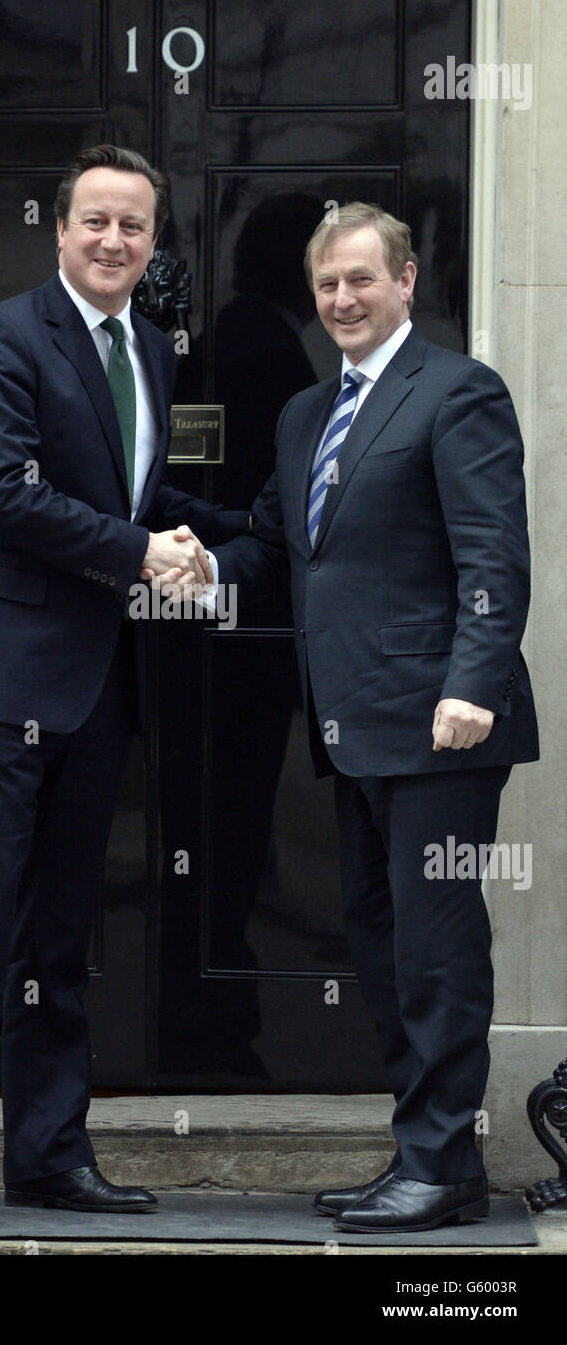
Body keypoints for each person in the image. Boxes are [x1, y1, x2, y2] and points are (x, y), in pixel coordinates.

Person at [172, 202, 539, 1233]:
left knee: (435, 947)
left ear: (407, 280)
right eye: (327, 283)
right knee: (379, 948)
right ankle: (419, 1153)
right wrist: (186, 564)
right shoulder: (303, 416)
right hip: (351, 726)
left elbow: (493, 554)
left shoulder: (458, 392)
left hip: (442, 727)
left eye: (362, 280)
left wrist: (472, 682)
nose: (342, 299)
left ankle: (443, 1164)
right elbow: (277, 550)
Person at [0, 144, 248, 1228]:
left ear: (153, 245)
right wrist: (144, 555)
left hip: (94, 690)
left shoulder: (148, 347)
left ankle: (49, 1154)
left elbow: (129, 497)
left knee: (61, 935)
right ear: (58, 230)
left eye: (134, 227)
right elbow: (5, 493)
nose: (113, 241)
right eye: (94, 221)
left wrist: (247, 535)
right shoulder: (0, 337)